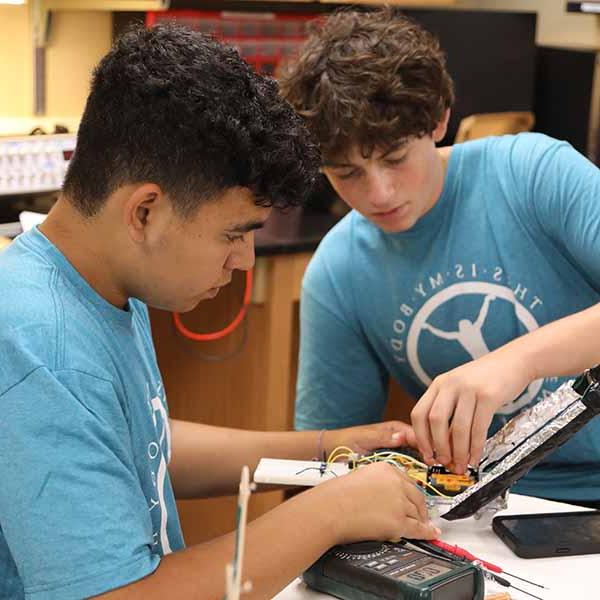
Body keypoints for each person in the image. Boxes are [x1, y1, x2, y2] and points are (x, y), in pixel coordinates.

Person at [0, 23, 440, 600]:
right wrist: (328, 514)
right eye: (234, 233)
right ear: (145, 212)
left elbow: (132, 442)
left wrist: (322, 450)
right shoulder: (40, 348)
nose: (244, 261)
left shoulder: (97, 282)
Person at [280, 7, 600, 508]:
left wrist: (514, 363)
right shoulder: (338, 271)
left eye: (394, 159)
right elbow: (332, 459)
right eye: (347, 173)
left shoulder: (535, 174)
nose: (378, 193)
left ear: (439, 120)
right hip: (480, 510)